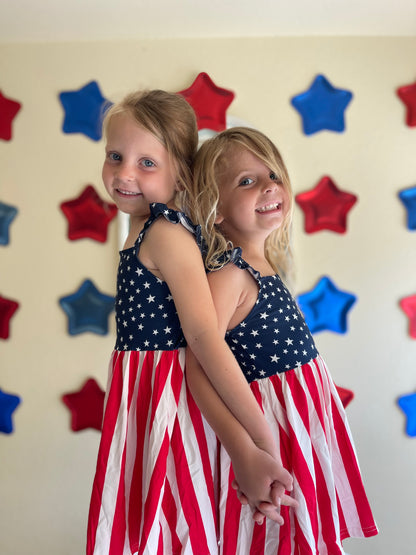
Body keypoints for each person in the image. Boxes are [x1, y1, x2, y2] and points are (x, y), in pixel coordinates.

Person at [86, 91, 295, 555]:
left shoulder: (166, 233)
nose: (124, 173)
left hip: (168, 398)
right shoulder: (148, 229)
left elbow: (203, 338)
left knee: (174, 526)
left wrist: (259, 445)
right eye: (116, 157)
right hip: (145, 392)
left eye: (147, 163)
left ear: (180, 171)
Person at [184, 127, 379, 554]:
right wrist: (244, 452)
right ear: (215, 209)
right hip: (269, 436)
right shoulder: (230, 274)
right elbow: (196, 370)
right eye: (246, 180)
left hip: (301, 432)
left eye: (272, 173)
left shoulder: (265, 264)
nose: (271, 185)